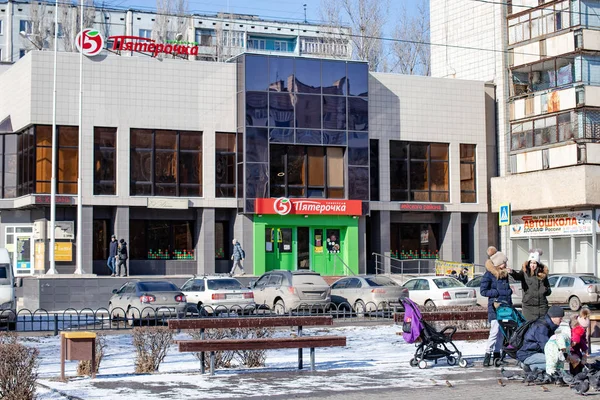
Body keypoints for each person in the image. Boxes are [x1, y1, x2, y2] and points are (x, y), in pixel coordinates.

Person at [480, 249, 512, 367]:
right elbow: (483, 291)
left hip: (505, 307)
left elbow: (507, 292)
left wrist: (510, 303)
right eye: (504, 262)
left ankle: (497, 354)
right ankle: (487, 354)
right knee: (494, 331)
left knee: (502, 333)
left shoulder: (504, 275)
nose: (505, 265)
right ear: (498, 263)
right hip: (495, 307)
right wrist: (496, 293)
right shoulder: (489, 274)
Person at [517, 305, 564, 372]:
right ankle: (527, 365)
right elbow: (546, 346)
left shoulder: (548, 325)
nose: (561, 320)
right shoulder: (541, 327)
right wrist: (559, 353)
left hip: (535, 352)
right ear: (553, 317)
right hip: (528, 354)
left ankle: (531, 366)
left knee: (556, 362)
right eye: (560, 318)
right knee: (554, 361)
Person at [508, 249, 551, 321]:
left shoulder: (543, 275)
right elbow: (517, 276)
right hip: (528, 306)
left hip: (541, 306)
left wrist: (545, 290)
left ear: (538, 264)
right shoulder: (524, 272)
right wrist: (512, 272)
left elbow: (548, 290)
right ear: (528, 263)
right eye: (531, 263)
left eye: (534, 263)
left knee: (541, 328)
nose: (532, 265)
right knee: (528, 328)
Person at [570, 307, 590, 374]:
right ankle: (575, 374)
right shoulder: (575, 328)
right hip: (571, 349)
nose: (584, 329)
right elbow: (576, 339)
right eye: (584, 328)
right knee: (575, 360)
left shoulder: (582, 330)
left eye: (586, 328)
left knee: (581, 359)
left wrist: (585, 349)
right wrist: (575, 342)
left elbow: (582, 341)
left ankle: (579, 373)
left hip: (577, 348)